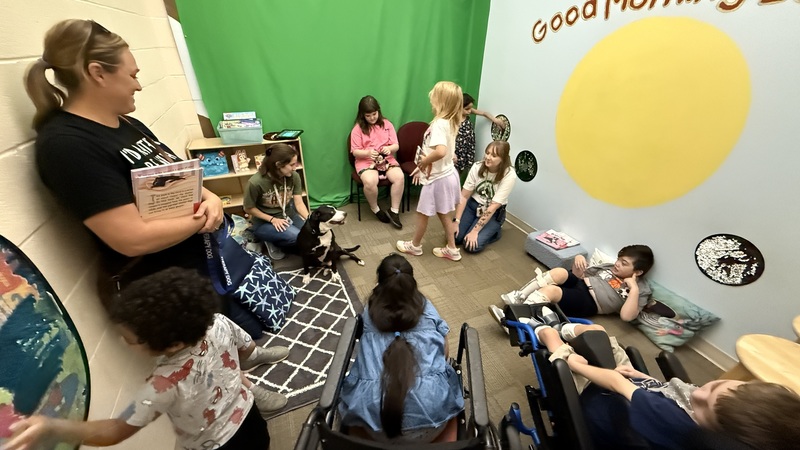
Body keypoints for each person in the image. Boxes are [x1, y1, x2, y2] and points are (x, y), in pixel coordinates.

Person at [22, 19, 267, 339]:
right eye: (132, 75)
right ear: (97, 73)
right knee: (206, 354)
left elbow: (179, 172)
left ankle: (246, 359)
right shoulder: (68, 146)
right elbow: (131, 237)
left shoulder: (127, 123)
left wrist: (209, 199)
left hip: (197, 264)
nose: (138, 85)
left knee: (237, 333)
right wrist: (203, 219)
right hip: (164, 285)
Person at [1, 267, 289, 450]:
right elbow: (248, 350)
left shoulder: (162, 385)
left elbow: (114, 431)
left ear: (173, 343)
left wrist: (53, 427)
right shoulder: (218, 322)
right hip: (251, 421)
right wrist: (226, 375)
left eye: (130, 339)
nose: (123, 342)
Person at [521, 316, 800, 449]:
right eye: (713, 387)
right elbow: (673, 391)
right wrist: (648, 379)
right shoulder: (713, 417)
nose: (699, 394)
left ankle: (545, 328)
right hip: (635, 390)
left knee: (561, 351)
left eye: (702, 407)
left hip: (601, 399)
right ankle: (571, 329)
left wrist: (572, 364)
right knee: (601, 334)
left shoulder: (671, 421)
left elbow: (616, 383)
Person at [338, 254, 464, 443]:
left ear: (380, 284)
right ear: (411, 284)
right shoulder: (427, 310)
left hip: (373, 429)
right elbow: (445, 353)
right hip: (431, 427)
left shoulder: (369, 311)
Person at [396, 81, 463, 261]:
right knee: (443, 214)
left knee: (422, 214)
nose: (431, 101)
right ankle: (452, 249)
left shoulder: (441, 123)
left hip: (437, 180)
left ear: (441, 101)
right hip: (446, 174)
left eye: (433, 98)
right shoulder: (450, 121)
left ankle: (415, 246)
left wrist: (424, 162)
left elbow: (440, 151)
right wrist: (421, 168)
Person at [499, 245, 654, 322]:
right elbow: (579, 276)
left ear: (638, 272)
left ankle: (517, 319)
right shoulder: (609, 267)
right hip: (580, 285)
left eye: (624, 263)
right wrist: (578, 262)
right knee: (560, 272)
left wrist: (633, 289)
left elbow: (627, 317)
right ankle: (520, 296)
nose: (617, 264)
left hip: (590, 301)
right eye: (619, 259)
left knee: (551, 291)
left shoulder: (641, 290)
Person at [243, 143, 309, 260]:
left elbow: (299, 203)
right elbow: (248, 208)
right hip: (265, 221)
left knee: (311, 235)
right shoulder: (255, 182)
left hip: (288, 215)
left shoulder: (294, 176)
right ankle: (270, 240)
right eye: (292, 164)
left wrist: (311, 221)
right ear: (278, 165)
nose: (295, 167)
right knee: (297, 238)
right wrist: (273, 220)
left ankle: (278, 237)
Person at [349, 95, 404, 229]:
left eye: (374, 114)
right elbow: (355, 151)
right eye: (368, 115)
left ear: (378, 111)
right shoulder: (357, 129)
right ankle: (375, 209)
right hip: (366, 161)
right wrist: (367, 152)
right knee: (370, 181)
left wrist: (389, 148)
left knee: (399, 177)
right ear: (362, 115)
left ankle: (394, 211)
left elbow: (396, 145)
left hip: (386, 159)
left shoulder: (387, 124)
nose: (372, 117)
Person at [453, 140, 517, 254]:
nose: (488, 157)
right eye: (487, 153)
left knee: (470, 246)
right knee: (455, 237)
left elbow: (493, 207)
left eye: (494, 155)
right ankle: (472, 227)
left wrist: (475, 231)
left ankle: (495, 231)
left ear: (503, 159)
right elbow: (463, 196)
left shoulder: (509, 174)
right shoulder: (477, 166)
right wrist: (456, 221)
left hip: (493, 213)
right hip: (473, 206)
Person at [455, 93, 506, 183]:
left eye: (471, 108)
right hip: (457, 149)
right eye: (467, 109)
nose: (470, 111)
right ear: (459, 107)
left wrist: (495, 120)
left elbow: (484, 113)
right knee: (455, 173)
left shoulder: (468, 112)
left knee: (462, 172)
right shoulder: (454, 119)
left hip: (467, 147)